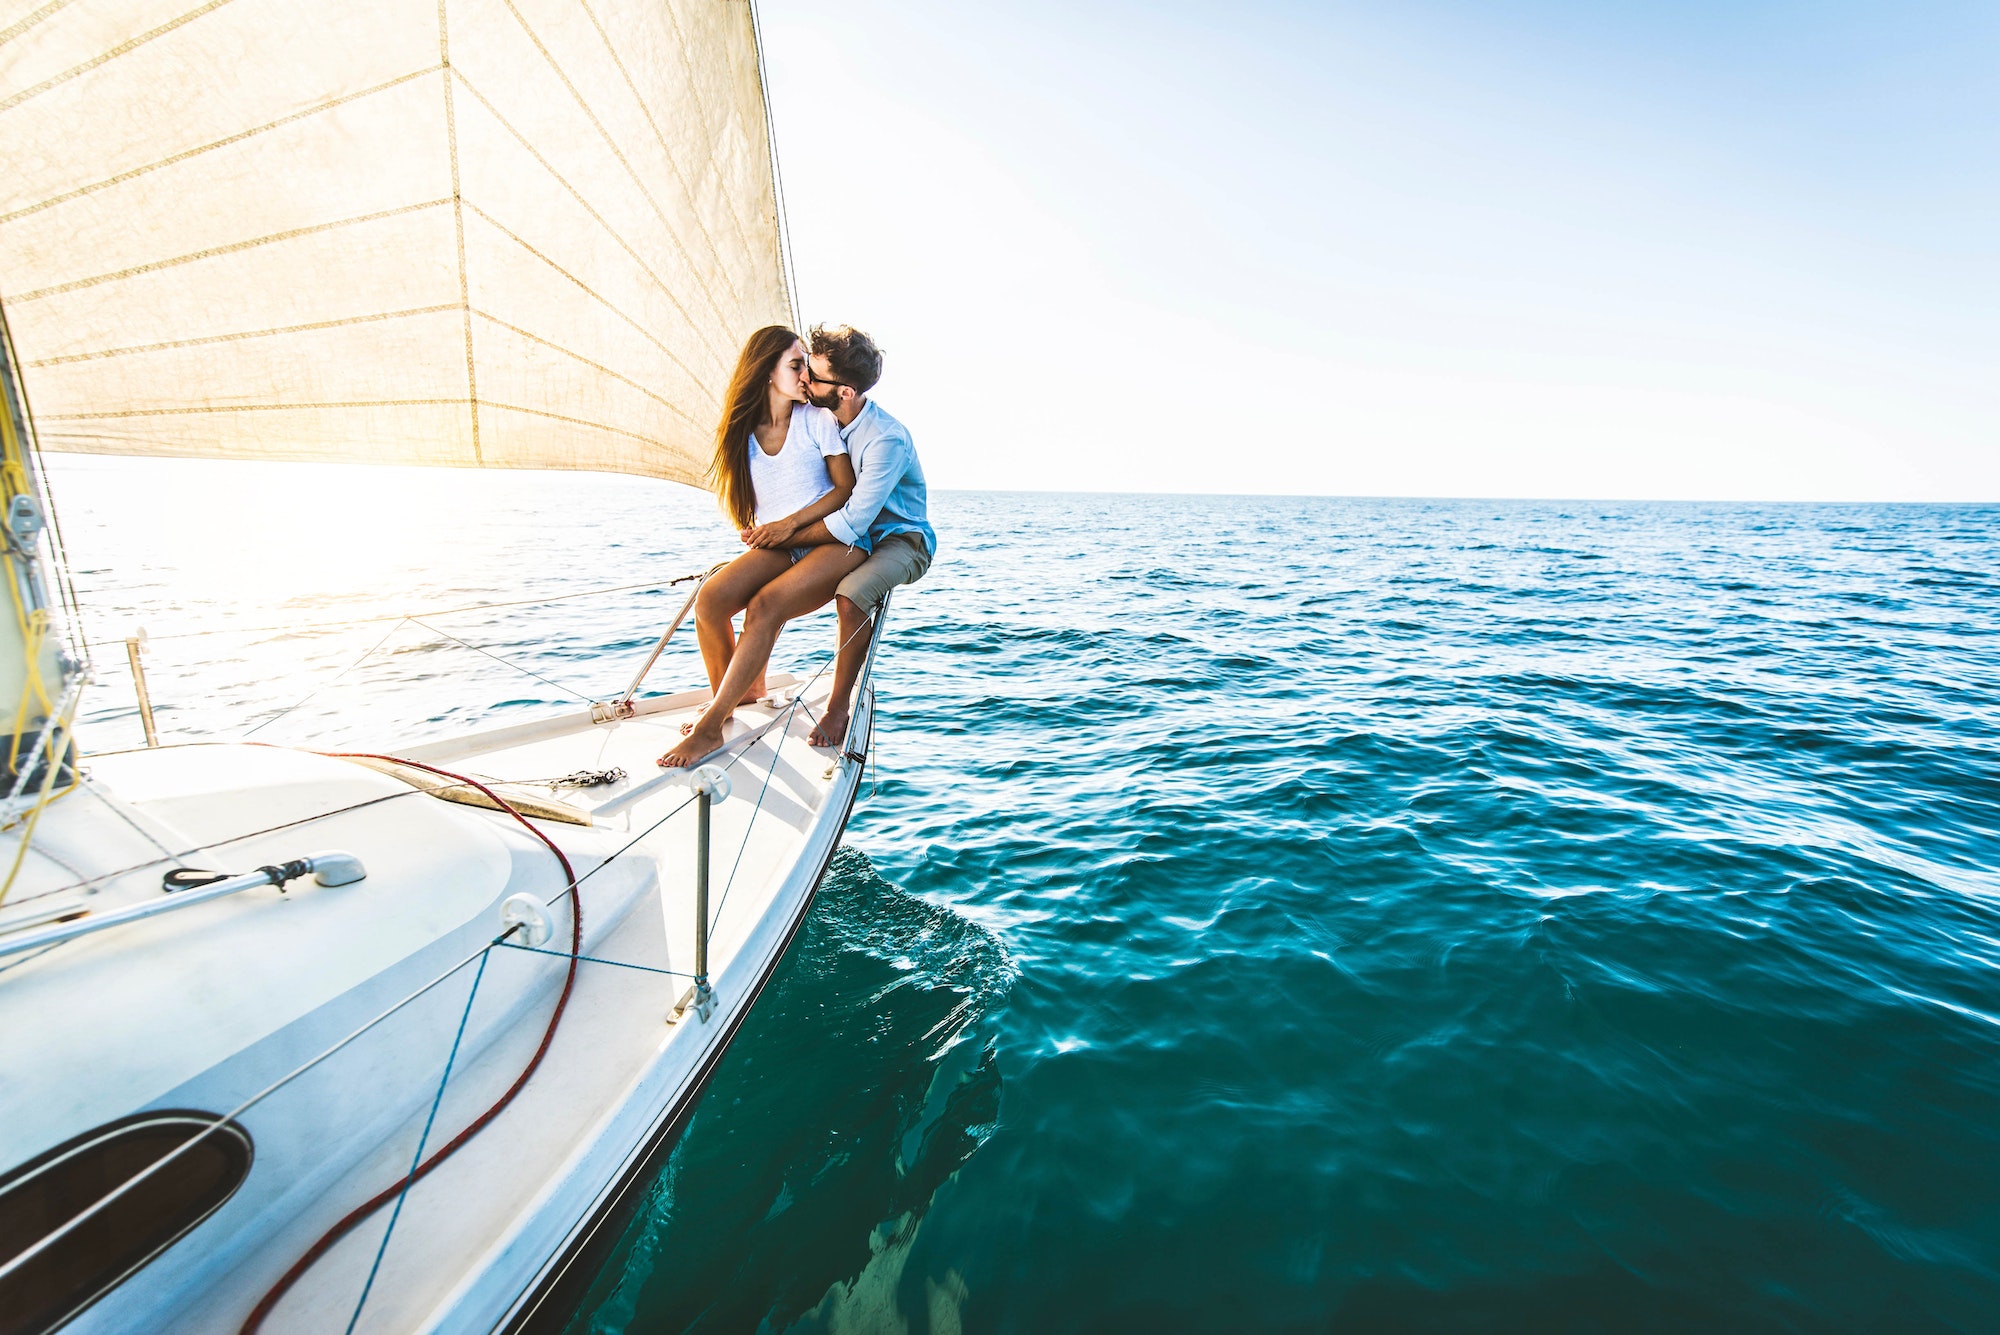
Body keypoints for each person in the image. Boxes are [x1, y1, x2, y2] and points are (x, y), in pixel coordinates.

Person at [657, 326, 869, 768]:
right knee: (711, 598)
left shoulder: (817, 420)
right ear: (767, 372)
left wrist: (790, 525)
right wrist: (757, 532)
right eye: (796, 367)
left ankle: (712, 725)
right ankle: (736, 696)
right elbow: (747, 501)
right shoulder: (742, 431)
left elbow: (844, 491)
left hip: (833, 541)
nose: (806, 376)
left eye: (807, 367)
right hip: (780, 545)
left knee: (764, 606)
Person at [749, 324, 933, 752]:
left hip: (900, 539)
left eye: (813, 375)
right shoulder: (820, 417)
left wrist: (785, 533)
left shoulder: (885, 439)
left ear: (846, 392)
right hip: (846, 535)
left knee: (850, 595)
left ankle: (837, 707)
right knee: (762, 589)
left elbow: (854, 519)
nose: (804, 381)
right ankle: (748, 687)